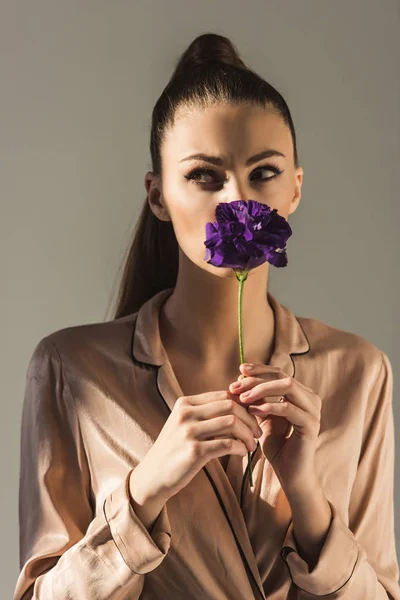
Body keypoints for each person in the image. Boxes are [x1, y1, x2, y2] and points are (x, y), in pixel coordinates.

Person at [14, 32, 400, 600]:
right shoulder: (71, 370)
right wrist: (146, 491)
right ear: (157, 196)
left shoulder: (360, 372)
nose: (236, 203)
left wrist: (308, 504)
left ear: (295, 189)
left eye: (264, 172)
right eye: (204, 176)